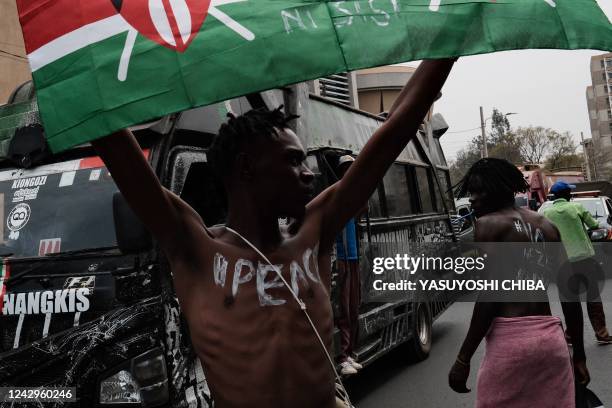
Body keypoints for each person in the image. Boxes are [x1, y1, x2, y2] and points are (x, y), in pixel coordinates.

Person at [92, 59, 457, 407]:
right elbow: (114, 144)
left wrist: (448, 44)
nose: (310, 172)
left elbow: (396, 129)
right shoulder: (196, 250)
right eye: (293, 160)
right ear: (247, 168)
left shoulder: (315, 233)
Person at [448, 158, 589, 408]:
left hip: (511, 345)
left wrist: (463, 358)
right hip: (551, 343)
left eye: (479, 192)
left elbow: (490, 297)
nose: (472, 199)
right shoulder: (547, 226)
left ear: (498, 190)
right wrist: (579, 355)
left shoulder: (488, 225)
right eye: (471, 193)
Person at [542, 181, 612, 345]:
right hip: (584, 258)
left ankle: (571, 335)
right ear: (567, 195)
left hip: (562, 263)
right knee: (592, 295)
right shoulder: (576, 208)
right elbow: (593, 225)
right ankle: (601, 333)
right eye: (569, 192)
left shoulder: (546, 213)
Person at [334, 155, 363, 376]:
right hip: (342, 258)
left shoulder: (354, 194)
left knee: (353, 307)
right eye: (347, 168)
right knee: (344, 309)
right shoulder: (338, 193)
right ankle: (343, 357)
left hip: (353, 257)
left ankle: (350, 352)